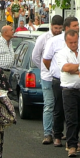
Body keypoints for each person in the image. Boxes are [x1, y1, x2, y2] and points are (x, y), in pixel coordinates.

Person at [42, 17, 80, 148]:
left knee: (77, 112)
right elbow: (46, 60)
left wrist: (75, 69)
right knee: (59, 109)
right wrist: (59, 71)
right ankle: (57, 135)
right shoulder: (54, 41)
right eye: (75, 25)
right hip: (59, 80)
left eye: (78, 25)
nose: (78, 27)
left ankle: (73, 139)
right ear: (67, 28)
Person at [31, 15, 63, 144]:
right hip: (47, 77)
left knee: (59, 106)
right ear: (51, 26)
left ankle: (58, 132)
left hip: (60, 77)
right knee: (49, 104)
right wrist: (45, 69)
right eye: (56, 28)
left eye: (60, 28)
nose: (58, 30)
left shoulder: (63, 38)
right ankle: (47, 133)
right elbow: (35, 57)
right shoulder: (43, 38)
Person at [56, 30, 80, 157]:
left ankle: (73, 140)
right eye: (71, 42)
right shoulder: (61, 53)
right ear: (66, 41)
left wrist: (76, 68)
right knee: (71, 118)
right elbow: (67, 68)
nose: (73, 44)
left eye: (75, 42)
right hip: (68, 90)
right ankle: (72, 146)